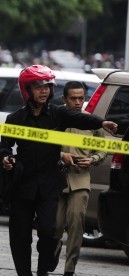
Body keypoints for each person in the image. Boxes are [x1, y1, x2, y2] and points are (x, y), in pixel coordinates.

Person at [0, 65, 117, 276]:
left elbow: (80, 118)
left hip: (49, 187)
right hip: (22, 188)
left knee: (50, 232)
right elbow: (4, 147)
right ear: (27, 90)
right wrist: (6, 159)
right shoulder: (14, 119)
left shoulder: (57, 114)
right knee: (20, 237)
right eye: (37, 86)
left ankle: (43, 270)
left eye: (47, 86)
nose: (43, 91)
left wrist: (102, 122)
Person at [54, 81, 107, 276]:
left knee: (76, 225)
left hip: (81, 180)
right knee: (54, 227)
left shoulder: (92, 121)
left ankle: (70, 269)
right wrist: (61, 156)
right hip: (56, 180)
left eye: (81, 98)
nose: (78, 102)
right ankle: (52, 251)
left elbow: (102, 148)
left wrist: (92, 159)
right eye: (73, 98)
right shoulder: (54, 118)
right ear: (64, 99)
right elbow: (42, 147)